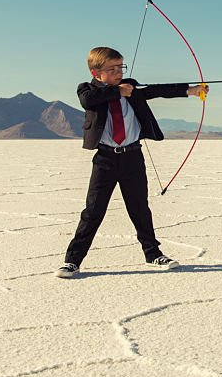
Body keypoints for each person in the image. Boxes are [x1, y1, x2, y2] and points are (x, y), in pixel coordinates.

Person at [56, 46, 207, 278]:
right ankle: (72, 261)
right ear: (97, 73)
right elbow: (89, 100)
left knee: (139, 208)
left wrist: (191, 90)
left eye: (120, 67)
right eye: (112, 69)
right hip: (105, 159)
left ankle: (152, 254)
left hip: (132, 157)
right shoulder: (87, 89)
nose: (118, 72)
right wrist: (118, 92)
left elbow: (158, 90)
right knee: (93, 211)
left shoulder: (131, 87)